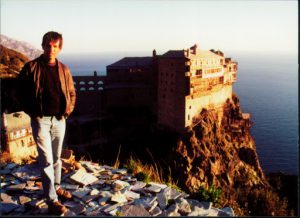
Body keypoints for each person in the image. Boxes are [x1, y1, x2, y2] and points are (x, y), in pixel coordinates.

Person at [18, 31, 76, 215]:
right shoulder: (31, 67)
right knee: (46, 161)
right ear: (43, 46)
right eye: (48, 45)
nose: (51, 49)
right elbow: (18, 93)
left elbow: (72, 93)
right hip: (40, 120)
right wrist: (32, 112)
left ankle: (56, 188)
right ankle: (52, 200)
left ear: (59, 48)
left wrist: (68, 110)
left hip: (59, 120)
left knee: (57, 158)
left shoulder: (64, 69)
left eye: (55, 46)